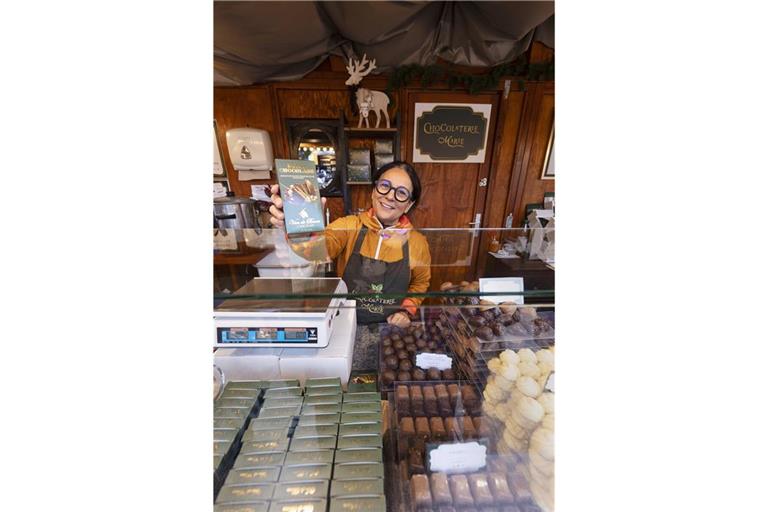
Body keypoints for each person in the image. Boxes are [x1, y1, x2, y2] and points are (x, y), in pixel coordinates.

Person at [269, 161, 431, 328]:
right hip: (344, 325)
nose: (390, 196)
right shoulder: (349, 226)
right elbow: (316, 251)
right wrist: (297, 223)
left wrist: (405, 311)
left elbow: (420, 283)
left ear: (409, 204)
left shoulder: (417, 242)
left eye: (402, 193)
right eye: (385, 186)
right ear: (374, 191)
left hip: (390, 329)